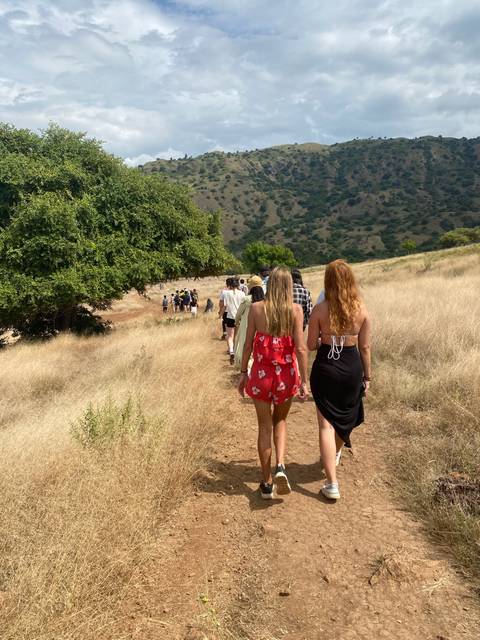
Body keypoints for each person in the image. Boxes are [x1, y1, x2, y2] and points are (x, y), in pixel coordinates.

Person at [238, 267, 308, 499]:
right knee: (281, 420)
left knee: (264, 426)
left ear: (269, 285)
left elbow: (247, 345)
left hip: (261, 375)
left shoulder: (257, 309)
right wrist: (305, 381)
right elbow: (300, 348)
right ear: (288, 286)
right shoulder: (296, 310)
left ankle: (266, 482)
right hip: (286, 377)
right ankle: (281, 466)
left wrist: (242, 373)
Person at [307, 259, 371, 501]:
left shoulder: (320, 310)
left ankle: (332, 483)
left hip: (326, 367)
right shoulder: (362, 309)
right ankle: (333, 455)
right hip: (352, 366)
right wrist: (368, 376)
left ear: (328, 281)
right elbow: (365, 347)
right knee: (347, 417)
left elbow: (311, 345)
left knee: (325, 425)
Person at [233, 275, 264, 369]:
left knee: (245, 345)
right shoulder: (265, 300)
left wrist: (236, 322)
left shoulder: (246, 300)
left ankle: (246, 368)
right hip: (261, 327)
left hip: (246, 326)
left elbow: (238, 315)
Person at [220, 278, 246, 364]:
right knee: (236, 336)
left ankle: (231, 351)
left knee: (230, 336)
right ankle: (236, 352)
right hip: (239, 317)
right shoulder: (242, 293)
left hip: (230, 317)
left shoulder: (227, 293)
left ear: (230, 285)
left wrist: (220, 314)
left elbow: (224, 306)